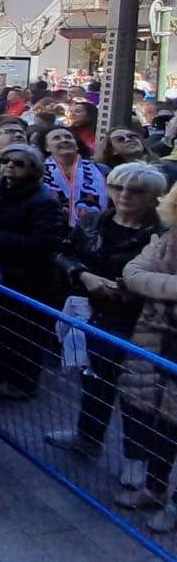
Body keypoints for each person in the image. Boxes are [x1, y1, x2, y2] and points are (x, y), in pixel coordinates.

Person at [45, 162, 166, 459]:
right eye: (117, 187)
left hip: (142, 324)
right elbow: (63, 253)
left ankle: (135, 462)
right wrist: (83, 275)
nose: (124, 195)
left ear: (152, 197)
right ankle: (87, 438)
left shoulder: (164, 236)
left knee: (136, 397)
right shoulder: (92, 221)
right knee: (94, 381)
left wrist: (131, 287)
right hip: (92, 314)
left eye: (136, 190)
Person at [0, 143, 70, 399]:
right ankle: (1, 374)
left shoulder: (44, 201)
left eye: (18, 163)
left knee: (25, 336)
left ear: (33, 169)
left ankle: (22, 384)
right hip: (1, 273)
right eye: (5, 161)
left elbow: (46, 244)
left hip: (32, 279)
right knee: (3, 331)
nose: (9, 165)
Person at [119, 202, 177, 532]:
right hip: (156, 344)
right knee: (161, 424)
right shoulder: (167, 239)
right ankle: (155, 489)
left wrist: (161, 286)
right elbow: (133, 274)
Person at [44, 126, 106, 228]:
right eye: (56, 138)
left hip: (94, 231)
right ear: (47, 148)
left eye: (68, 137)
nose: (64, 140)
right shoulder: (38, 172)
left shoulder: (101, 170)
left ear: (76, 145)